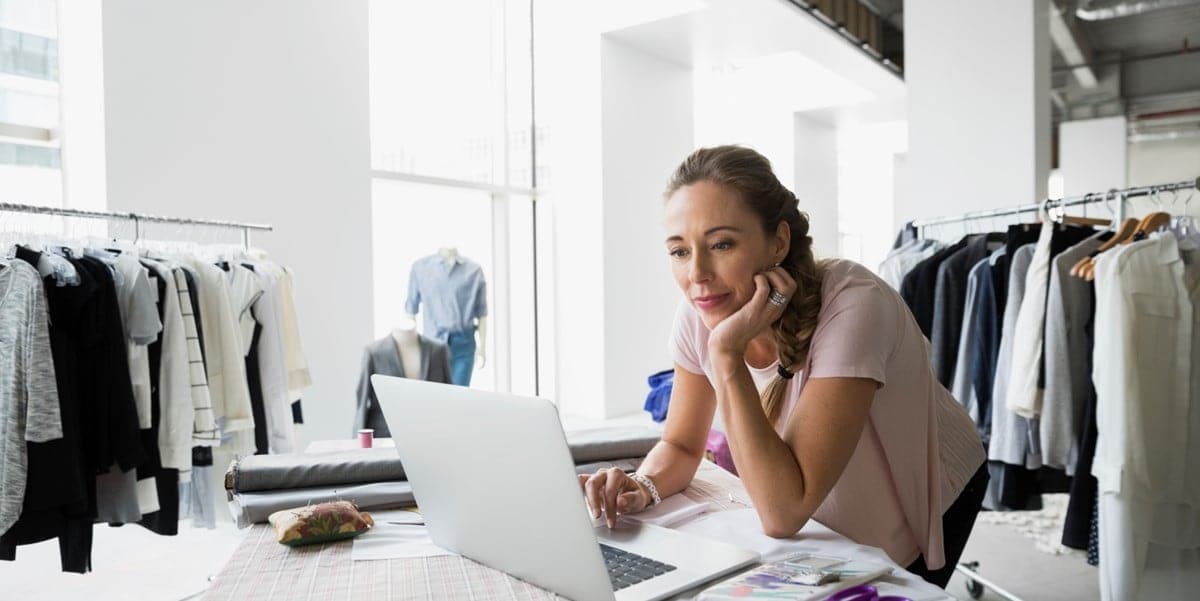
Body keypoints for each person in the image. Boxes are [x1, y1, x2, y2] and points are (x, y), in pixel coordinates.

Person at [579, 145, 988, 588]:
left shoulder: (854, 306)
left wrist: (725, 355)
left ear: (778, 241)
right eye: (679, 251)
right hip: (819, 493)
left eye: (721, 244)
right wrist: (645, 484)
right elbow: (679, 445)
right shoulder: (697, 314)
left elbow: (782, 513)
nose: (697, 273)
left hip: (926, 483)